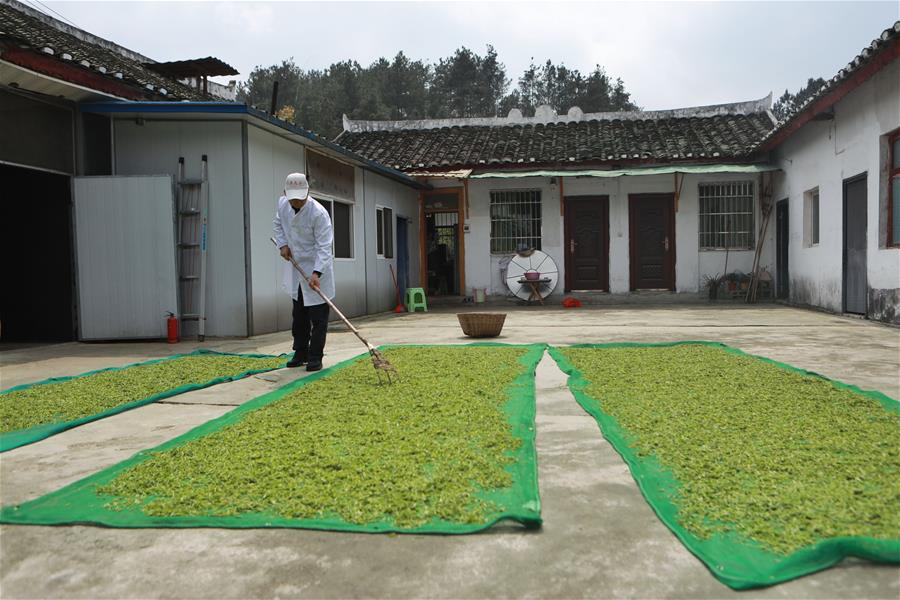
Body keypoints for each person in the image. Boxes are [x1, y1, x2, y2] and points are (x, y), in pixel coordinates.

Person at [273, 173, 335, 371]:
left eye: (300, 197)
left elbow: (324, 246)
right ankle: (300, 352)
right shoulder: (283, 205)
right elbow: (277, 225)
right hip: (296, 268)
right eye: (293, 198)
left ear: (307, 192)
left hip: (316, 269)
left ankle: (316, 356)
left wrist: (317, 273)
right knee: (299, 316)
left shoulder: (318, 213)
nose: (297, 202)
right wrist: (282, 245)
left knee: (318, 318)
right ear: (285, 194)